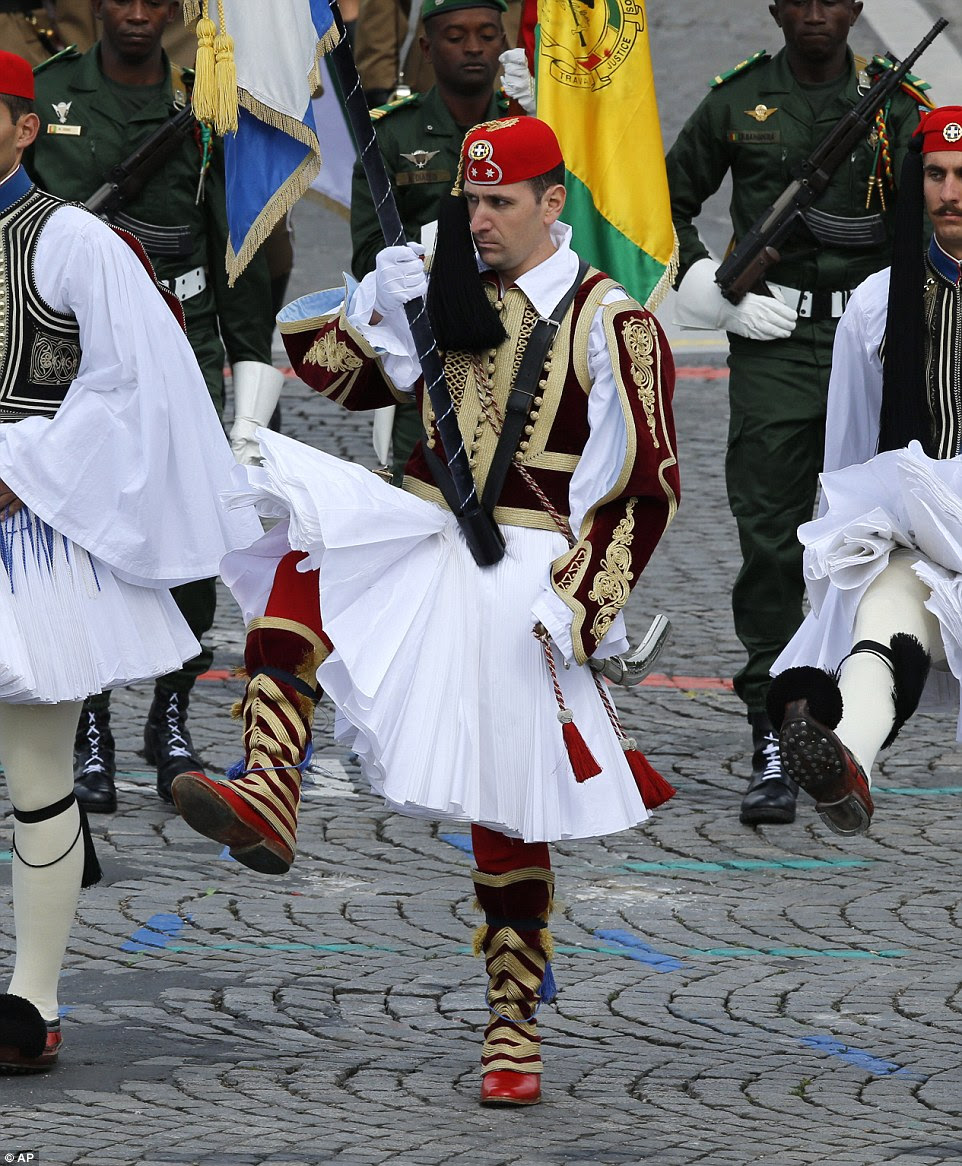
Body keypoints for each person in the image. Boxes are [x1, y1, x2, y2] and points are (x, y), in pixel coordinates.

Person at [170, 116, 680, 1106]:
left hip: (527, 559)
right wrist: (367, 304)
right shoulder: (440, 282)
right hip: (419, 520)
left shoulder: (612, 322)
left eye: (498, 202)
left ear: (550, 202)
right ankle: (269, 779)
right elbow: (333, 375)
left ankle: (512, 1018)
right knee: (306, 549)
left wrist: (580, 604)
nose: (478, 219)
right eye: (470, 200)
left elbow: (640, 488)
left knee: (505, 803)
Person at [0, 50, 259, 1072]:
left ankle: (32, 996)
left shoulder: (69, 240)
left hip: (28, 530)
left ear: (26, 128)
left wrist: (24, 467)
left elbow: (133, 383)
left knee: (34, 773)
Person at [664, 0, 933, 827]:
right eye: (800, 0)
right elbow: (658, 203)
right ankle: (775, 733)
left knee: (889, 542)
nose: (817, 14)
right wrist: (712, 290)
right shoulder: (734, 101)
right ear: (776, 8)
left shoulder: (897, 105)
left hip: (884, 343)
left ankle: (852, 725)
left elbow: (944, 206)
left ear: (857, 9)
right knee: (775, 539)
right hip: (777, 341)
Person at [25, 0, 281, 813]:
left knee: (189, 520)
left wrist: (247, 379)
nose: (137, 14)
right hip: (76, 345)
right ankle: (90, 719)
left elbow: (230, 245)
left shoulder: (202, 99)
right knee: (84, 523)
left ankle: (171, 710)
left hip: (180, 337)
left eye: (153, 0)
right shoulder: (50, 93)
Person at [765, 105, 962, 837]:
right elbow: (850, 458)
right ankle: (845, 760)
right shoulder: (878, 304)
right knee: (881, 623)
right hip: (919, 530)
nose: (950, 192)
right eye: (936, 176)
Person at [350, 0, 509, 482]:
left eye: (487, 34)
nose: (474, 48)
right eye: (456, 37)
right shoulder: (392, 135)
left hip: (522, 339)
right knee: (423, 496)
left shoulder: (530, 125)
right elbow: (368, 251)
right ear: (426, 47)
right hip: (430, 347)